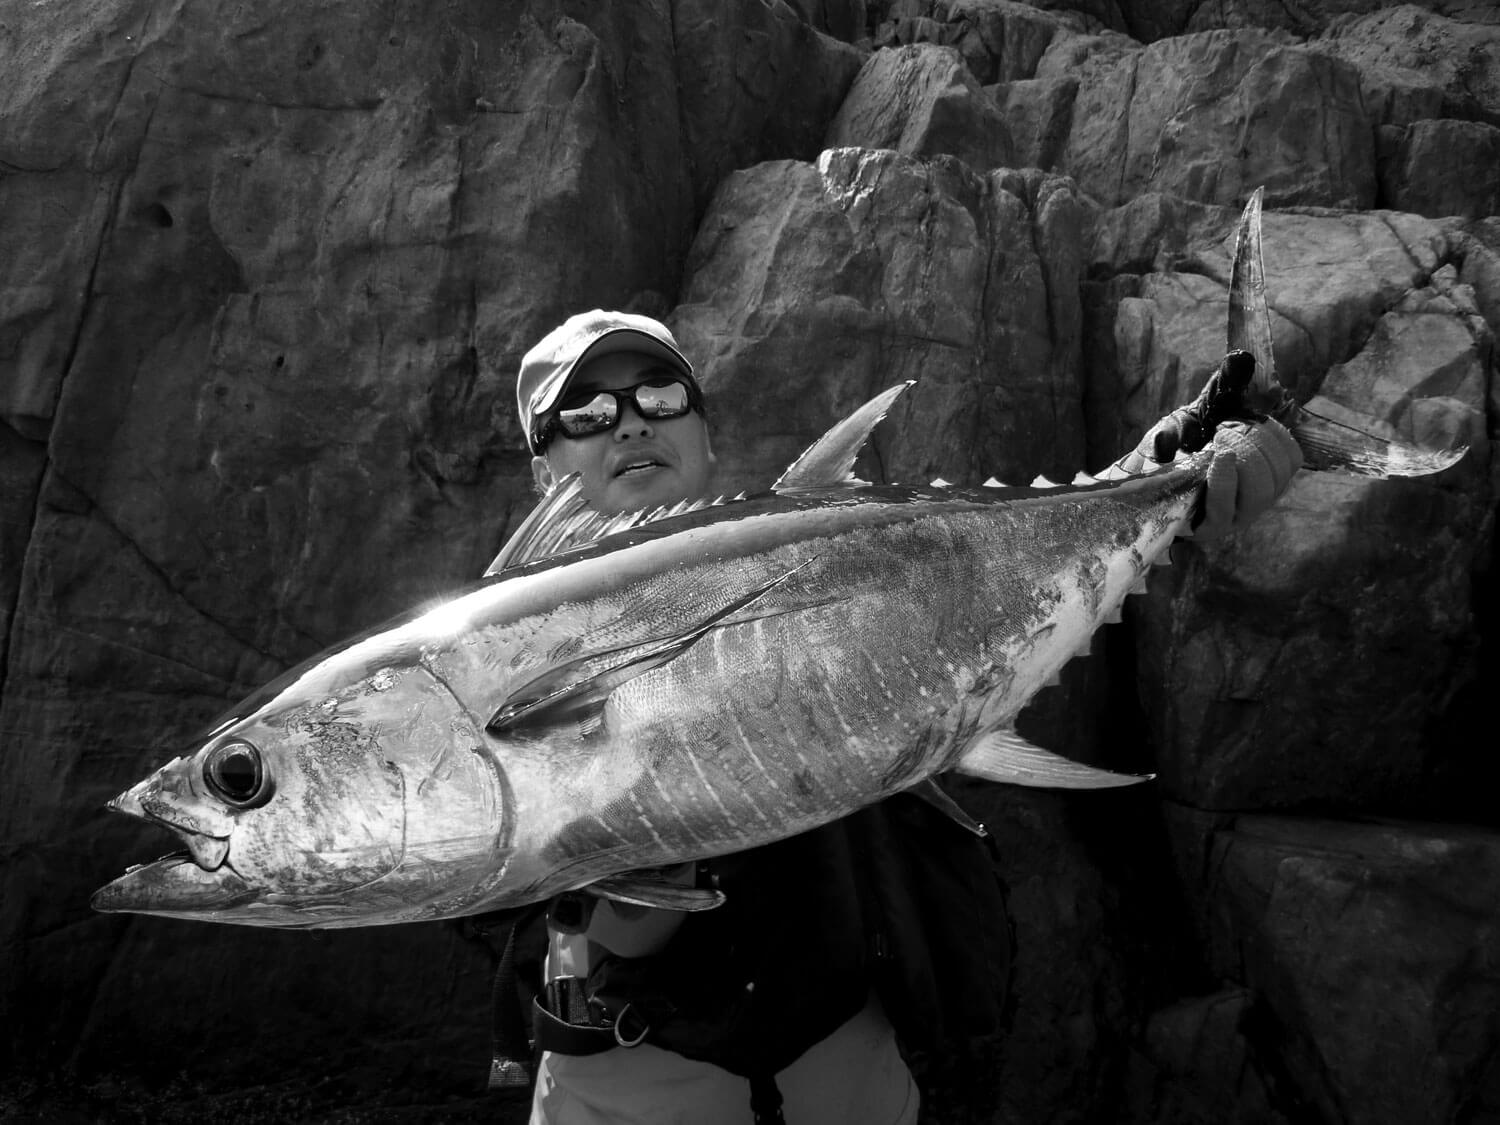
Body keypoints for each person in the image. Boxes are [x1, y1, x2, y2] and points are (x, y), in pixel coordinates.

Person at [492, 309, 1301, 1125]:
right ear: (543, 475)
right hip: (620, 1101)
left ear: (706, 436)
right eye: (585, 414)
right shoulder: (495, 665)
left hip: (860, 1084)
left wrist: (1168, 464)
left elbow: (1000, 567)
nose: (628, 420)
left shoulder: (828, 564)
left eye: (660, 395)